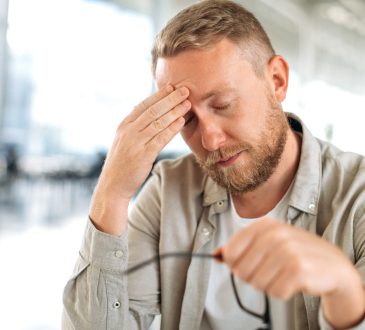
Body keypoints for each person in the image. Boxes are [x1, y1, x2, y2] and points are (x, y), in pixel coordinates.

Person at [62, 1, 365, 329]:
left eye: (223, 105)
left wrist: (344, 291)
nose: (209, 140)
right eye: (187, 119)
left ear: (276, 81)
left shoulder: (357, 196)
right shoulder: (168, 193)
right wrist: (113, 191)